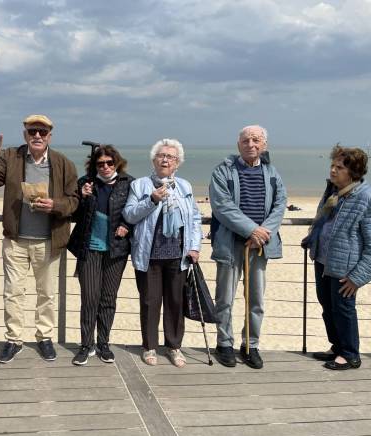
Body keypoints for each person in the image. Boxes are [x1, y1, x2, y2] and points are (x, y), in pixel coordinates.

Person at [0, 114, 78, 363]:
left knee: (46, 293)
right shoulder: (11, 157)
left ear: (49, 137)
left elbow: (74, 201)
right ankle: (14, 340)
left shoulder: (63, 163)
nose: (37, 136)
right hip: (16, 240)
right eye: (32, 131)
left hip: (48, 240)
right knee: (13, 292)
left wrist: (55, 205)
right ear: (25, 134)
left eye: (42, 132)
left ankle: (44, 338)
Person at [210, 125, 287, 369]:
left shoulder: (272, 172)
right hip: (231, 243)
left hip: (259, 246)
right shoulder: (223, 171)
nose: (251, 144)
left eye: (256, 140)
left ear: (264, 145)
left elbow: (280, 204)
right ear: (238, 144)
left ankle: (250, 345)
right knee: (225, 298)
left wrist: (262, 234)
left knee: (256, 300)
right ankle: (224, 343)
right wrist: (250, 230)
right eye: (246, 140)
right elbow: (221, 206)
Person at [123, 139, 202, 367]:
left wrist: (194, 246)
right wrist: (152, 200)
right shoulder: (140, 185)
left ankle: (174, 346)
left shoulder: (184, 186)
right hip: (149, 254)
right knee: (149, 302)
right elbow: (129, 215)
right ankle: (149, 347)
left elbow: (194, 219)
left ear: (178, 163)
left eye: (171, 157)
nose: (166, 159)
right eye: (161, 155)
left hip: (178, 255)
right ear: (154, 160)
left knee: (175, 302)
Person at [302, 145, 370, 370]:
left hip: (345, 268)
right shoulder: (332, 191)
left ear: (354, 171)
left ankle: (351, 354)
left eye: (339, 167)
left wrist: (357, 277)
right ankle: (337, 346)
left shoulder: (364, 197)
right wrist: (312, 239)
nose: (333, 170)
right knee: (327, 306)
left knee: (343, 309)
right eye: (332, 165)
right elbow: (323, 222)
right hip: (322, 260)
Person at [67, 145, 133, 365]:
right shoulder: (86, 183)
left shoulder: (128, 183)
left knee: (108, 299)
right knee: (89, 298)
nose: (105, 167)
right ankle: (87, 345)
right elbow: (74, 214)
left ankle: (103, 343)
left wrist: (126, 225)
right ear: (94, 165)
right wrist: (83, 198)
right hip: (90, 248)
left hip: (116, 250)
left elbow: (135, 212)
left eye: (109, 163)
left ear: (117, 163)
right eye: (100, 164)